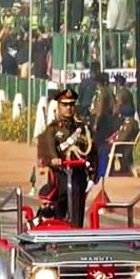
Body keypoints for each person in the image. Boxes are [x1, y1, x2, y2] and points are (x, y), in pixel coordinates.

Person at [37, 88, 98, 227]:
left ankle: (76, 237)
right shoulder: (52, 129)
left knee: (77, 209)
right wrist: (53, 159)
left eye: (71, 104)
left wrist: (92, 176)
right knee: (58, 209)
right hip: (59, 176)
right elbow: (46, 148)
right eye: (64, 105)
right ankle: (57, 236)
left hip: (77, 175)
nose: (68, 108)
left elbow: (92, 152)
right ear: (58, 106)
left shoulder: (82, 128)